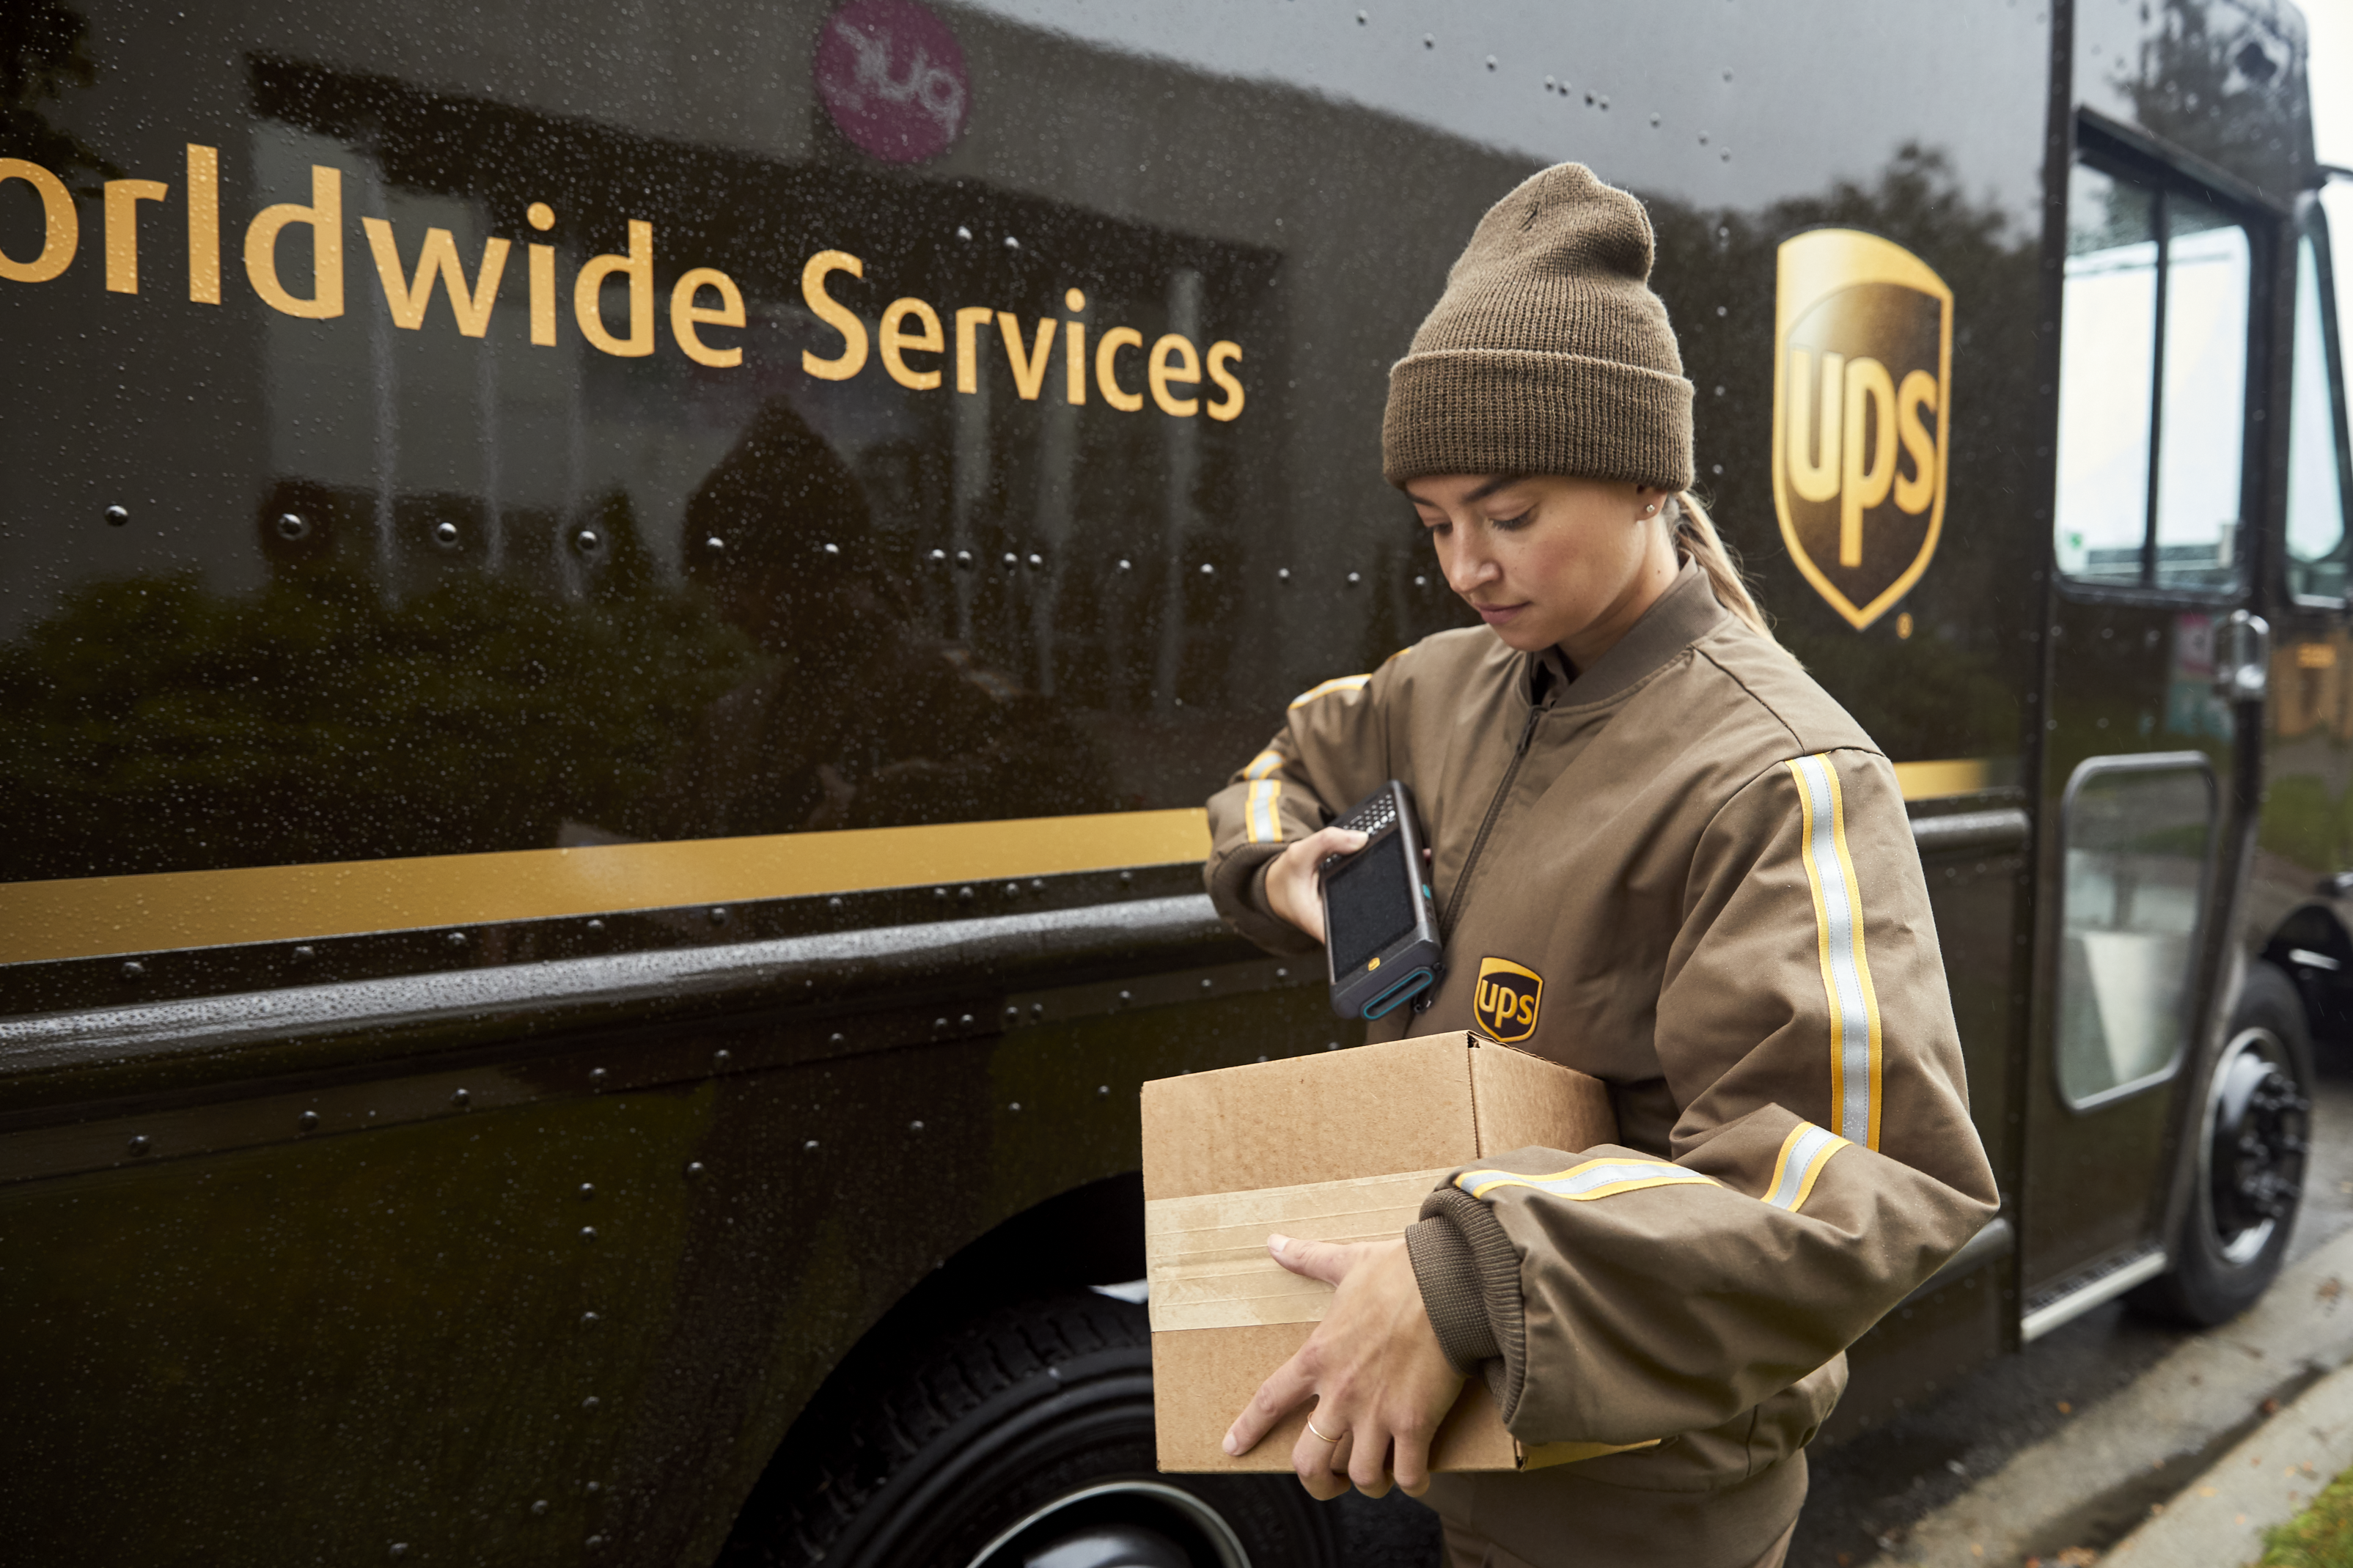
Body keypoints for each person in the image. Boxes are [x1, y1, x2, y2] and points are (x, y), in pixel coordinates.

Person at [1201, 163, 1997, 1568]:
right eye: (1437, 522)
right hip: (1434, 1445)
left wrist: (1463, 1272)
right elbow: (1280, 770)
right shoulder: (1449, 684)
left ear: (1648, 475)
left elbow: (1851, 1184)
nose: (1468, 567)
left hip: (1636, 1510)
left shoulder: (1781, 773)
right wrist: (1281, 872)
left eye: (1509, 515)